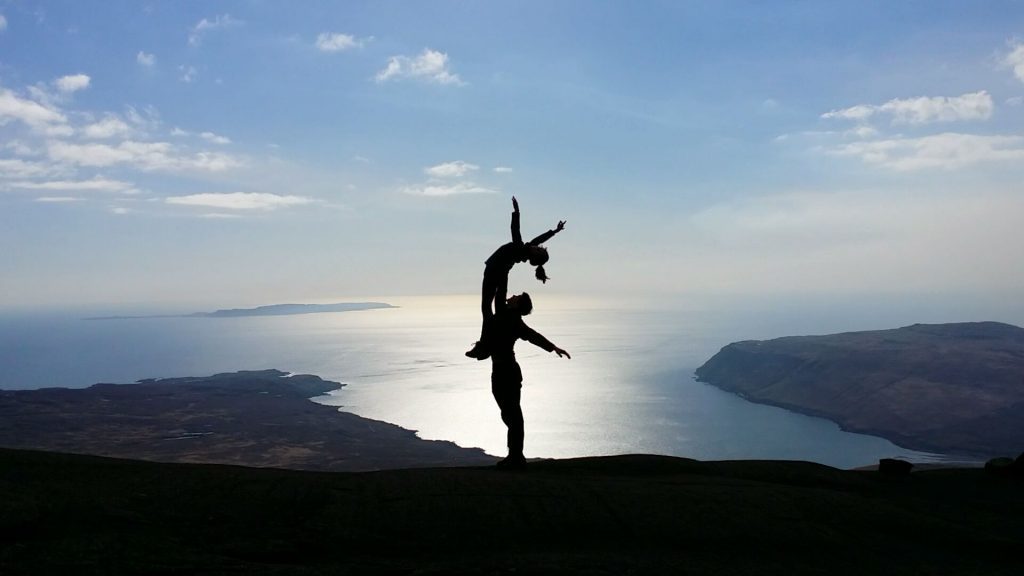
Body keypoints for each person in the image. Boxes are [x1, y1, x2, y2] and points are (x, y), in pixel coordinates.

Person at [465, 197, 565, 360]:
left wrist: (517, 212)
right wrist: (554, 231)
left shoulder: (520, 248)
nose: (538, 247)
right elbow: (538, 240)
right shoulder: (525, 249)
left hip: (494, 271)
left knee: (487, 308)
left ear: (534, 256)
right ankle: (483, 346)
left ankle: (483, 346)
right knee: (492, 307)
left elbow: (515, 230)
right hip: (501, 272)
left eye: (539, 251)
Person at [489, 291, 570, 469]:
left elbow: (533, 335)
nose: (513, 295)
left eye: (516, 296)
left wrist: (502, 273)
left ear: (517, 305)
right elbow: (534, 336)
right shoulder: (511, 318)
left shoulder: (510, 318)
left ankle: (516, 456)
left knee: (513, 415)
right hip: (503, 371)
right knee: (510, 415)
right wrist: (552, 347)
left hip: (506, 372)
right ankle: (515, 455)